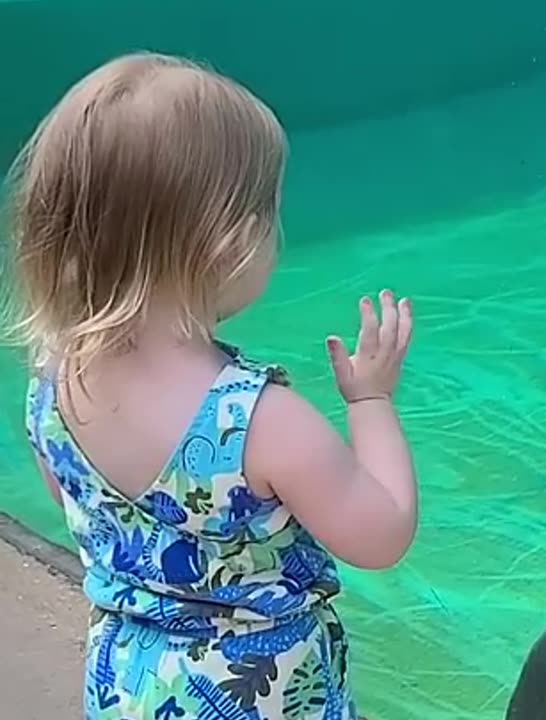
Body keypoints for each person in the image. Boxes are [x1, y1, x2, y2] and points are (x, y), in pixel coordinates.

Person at [2, 51, 418, 719]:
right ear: (230, 244)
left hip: (128, 685)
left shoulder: (52, 379)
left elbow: (79, 503)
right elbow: (382, 533)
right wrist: (371, 403)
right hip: (256, 695)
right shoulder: (257, 422)